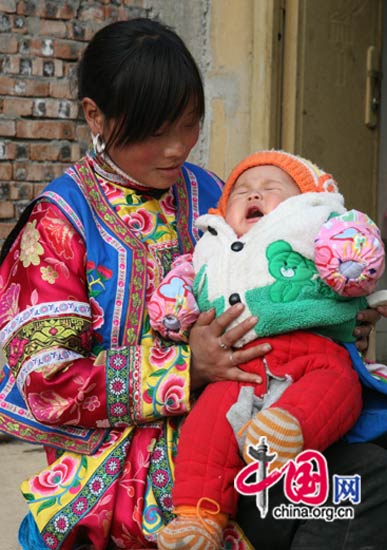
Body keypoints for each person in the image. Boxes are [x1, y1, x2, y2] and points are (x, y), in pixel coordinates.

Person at [0, 16, 385, 550]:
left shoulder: (212, 193)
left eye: (188, 125)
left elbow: (279, 282)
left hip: (262, 406)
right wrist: (184, 368)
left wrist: (331, 320)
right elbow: (44, 382)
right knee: (358, 484)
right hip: (132, 467)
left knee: (368, 461)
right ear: (96, 115)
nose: (176, 148)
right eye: (154, 131)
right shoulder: (59, 226)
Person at [152, 150, 386, 549]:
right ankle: (197, 517)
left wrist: (352, 273)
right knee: (208, 425)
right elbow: (182, 282)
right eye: (241, 191)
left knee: (336, 387)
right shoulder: (212, 240)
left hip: (311, 353)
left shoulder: (312, 225)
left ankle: (287, 433)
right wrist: (178, 318)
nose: (253, 195)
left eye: (269, 188)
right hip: (239, 371)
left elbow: (355, 253)